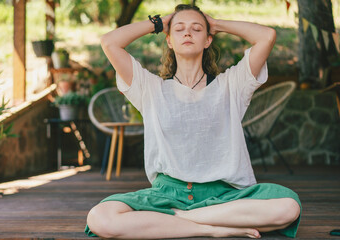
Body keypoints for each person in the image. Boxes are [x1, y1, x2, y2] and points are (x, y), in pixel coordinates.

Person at [86, 4, 301, 239]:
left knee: (288, 207)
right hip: (166, 195)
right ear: (169, 40)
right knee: (100, 217)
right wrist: (159, 23)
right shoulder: (150, 88)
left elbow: (266, 36)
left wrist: (216, 24)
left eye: (196, 29)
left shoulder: (232, 85)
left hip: (224, 196)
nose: (188, 33)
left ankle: (175, 219)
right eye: (179, 29)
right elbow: (109, 42)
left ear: (208, 40)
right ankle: (213, 228)